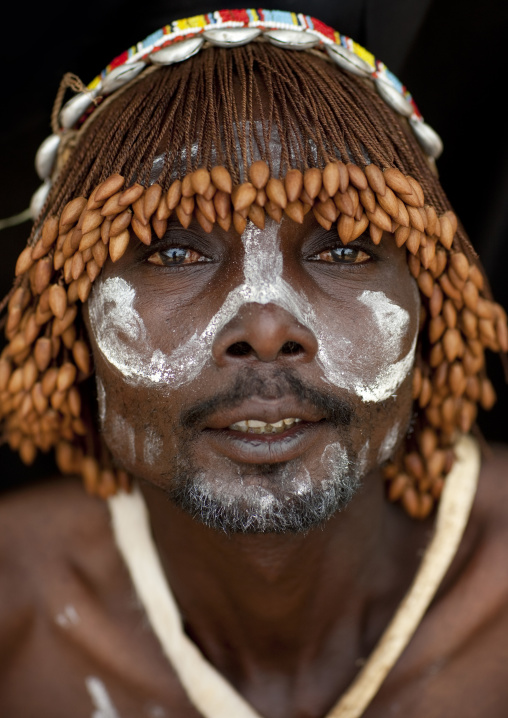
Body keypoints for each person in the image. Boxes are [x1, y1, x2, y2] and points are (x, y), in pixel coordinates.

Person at [0, 9, 507, 717]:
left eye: (344, 249)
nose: (266, 325)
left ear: (434, 307)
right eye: (174, 253)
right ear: (67, 325)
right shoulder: (15, 620)